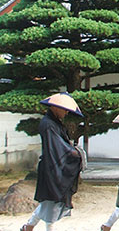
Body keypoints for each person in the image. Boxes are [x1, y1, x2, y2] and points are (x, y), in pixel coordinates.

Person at [21, 93, 84, 231]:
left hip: (53, 165)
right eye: (65, 109)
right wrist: (73, 153)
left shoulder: (54, 122)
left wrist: (71, 149)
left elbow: (61, 144)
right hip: (53, 167)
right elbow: (57, 147)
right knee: (52, 202)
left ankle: (29, 226)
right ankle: (36, 227)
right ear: (55, 108)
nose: (66, 113)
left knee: (48, 202)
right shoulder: (48, 124)